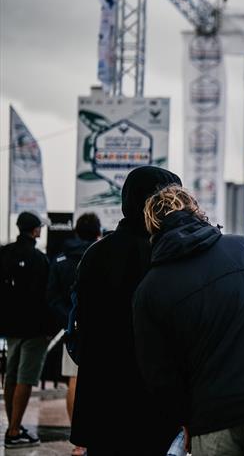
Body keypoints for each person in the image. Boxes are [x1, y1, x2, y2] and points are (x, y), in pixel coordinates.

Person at [134, 185, 244, 456]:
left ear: (152, 226)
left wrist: (185, 416)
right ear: (196, 211)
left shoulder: (149, 289)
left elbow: (159, 372)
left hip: (210, 419)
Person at [70, 166, 182, 455]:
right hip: (154, 400)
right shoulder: (167, 252)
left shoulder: (96, 253)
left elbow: (78, 324)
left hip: (103, 397)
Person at [46, 212, 101, 456]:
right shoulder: (100, 255)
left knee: (74, 379)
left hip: (72, 330)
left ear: (76, 230)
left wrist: (69, 319)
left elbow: (52, 296)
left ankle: (77, 438)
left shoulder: (60, 258)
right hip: (100, 327)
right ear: (97, 232)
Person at [0, 211, 50, 448]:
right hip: (33, 327)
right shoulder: (39, 259)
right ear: (35, 230)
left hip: (8, 325)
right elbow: (45, 296)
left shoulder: (4, 253)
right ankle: (13, 430)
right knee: (26, 377)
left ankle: (15, 426)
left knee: (11, 375)